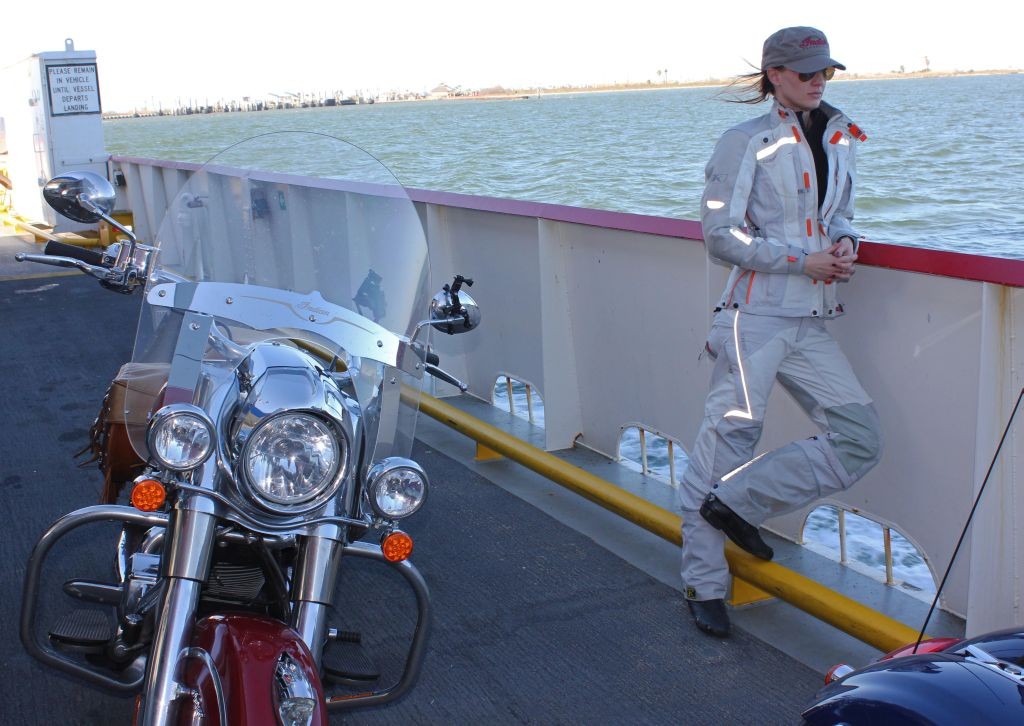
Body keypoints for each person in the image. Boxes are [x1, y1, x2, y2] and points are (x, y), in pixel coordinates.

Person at [680, 26, 882, 637]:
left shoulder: (839, 133)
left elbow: (835, 212)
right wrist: (803, 261)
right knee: (727, 443)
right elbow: (720, 238)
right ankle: (704, 583)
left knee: (859, 439)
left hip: (815, 317)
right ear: (774, 74)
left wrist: (846, 240)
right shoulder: (745, 140)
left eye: (825, 71)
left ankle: (736, 505)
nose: (819, 81)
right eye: (806, 72)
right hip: (757, 316)